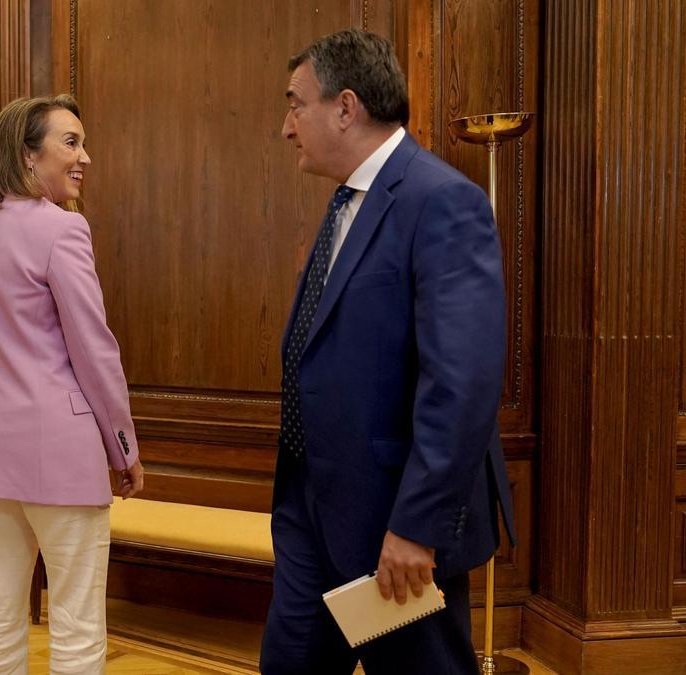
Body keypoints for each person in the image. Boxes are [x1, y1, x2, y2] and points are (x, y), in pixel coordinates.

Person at [260, 29, 516, 674]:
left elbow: (461, 384)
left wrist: (417, 527)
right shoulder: (348, 198)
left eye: (295, 104)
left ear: (346, 108)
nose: (286, 127)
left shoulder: (442, 200)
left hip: (392, 530)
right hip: (308, 506)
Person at [0, 93, 144, 674]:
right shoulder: (63, 230)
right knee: (78, 621)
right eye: (71, 143)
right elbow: (94, 349)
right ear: (28, 156)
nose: (85, 158)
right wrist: (123, 447)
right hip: (60, 455)